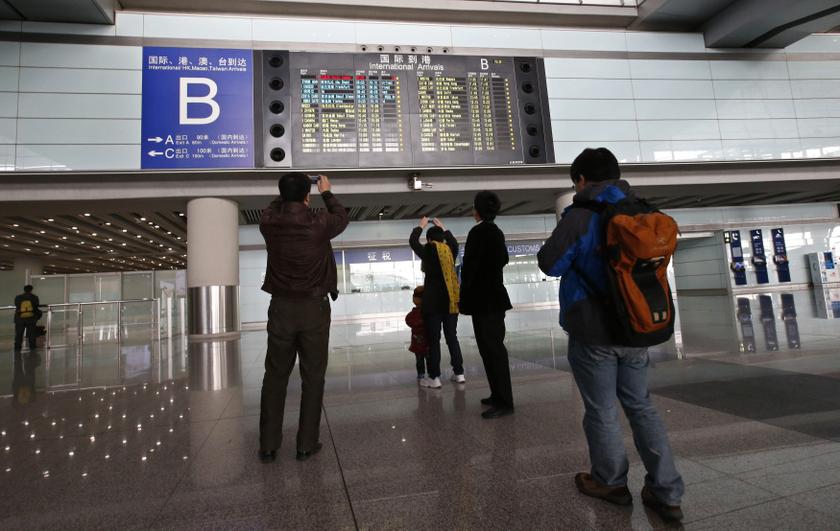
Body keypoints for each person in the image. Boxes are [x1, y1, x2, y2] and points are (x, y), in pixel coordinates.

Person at [537, 148, 685, 522]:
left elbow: (550, 263)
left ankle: (611, 481)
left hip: (592, 331)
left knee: (602, 409)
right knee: (641, 405)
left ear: (582, 181)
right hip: (636, 326)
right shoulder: (642, 211)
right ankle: (666, 490)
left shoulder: (581, 216)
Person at [258, 172, 349, 464]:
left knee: (275, 376)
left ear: (282, 196)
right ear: (307, 197)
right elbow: (341, 216)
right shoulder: (319, 222)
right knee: (313, 376)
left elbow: (273, 208)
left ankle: (269, 445)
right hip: (314, 309)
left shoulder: (269, 223)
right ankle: (305, 444)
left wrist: (288, 195)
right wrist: (326, 190)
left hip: (281, 308)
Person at [459, 191, 514, 419]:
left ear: (478, 210)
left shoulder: (478, 232)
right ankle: (497, 395)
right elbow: (503, 259)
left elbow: (469, 267)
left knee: (491, 350)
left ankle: (504, 401)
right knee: (492, 349)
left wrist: (464, 298)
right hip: (495, 299)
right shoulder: (496, 232)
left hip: (483, 301)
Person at [409, 217, 465, 389]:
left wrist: (421, 225)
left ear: (429, 239)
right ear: (442, 238)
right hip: (451, 303)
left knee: (434, 341)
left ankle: (435, 377)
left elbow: (412, 242)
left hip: (433, 304)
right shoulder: (450, 251)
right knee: (452, 338)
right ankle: (459, 373)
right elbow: (454, 243)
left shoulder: (429, 250)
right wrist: (443, 228)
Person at [405, 286, 429, 380]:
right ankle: (432, 373)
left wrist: (416, 325)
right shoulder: (428, 312)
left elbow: (408, 320)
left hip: (417, 340)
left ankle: (421, 374)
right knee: (429, 358)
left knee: (419, 358)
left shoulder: (414, 313)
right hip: (427, 340)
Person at [14, 285, 41, 352]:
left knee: (19, 334)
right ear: (31, 290)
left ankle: (17, 348)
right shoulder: (34, 297)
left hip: (19, 319)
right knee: (31, 334)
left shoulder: (18, 297)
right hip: (31, 319)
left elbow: (16, 305)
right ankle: (32, 347)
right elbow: (36, 306)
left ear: (24, 290)